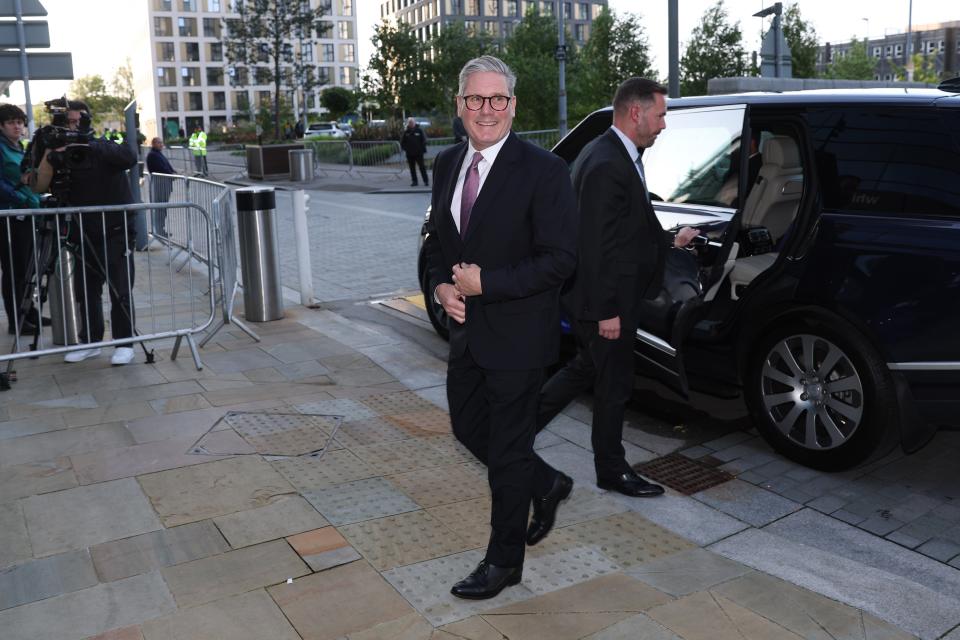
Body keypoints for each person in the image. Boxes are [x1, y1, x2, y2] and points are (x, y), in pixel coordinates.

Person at [422, 55, 578, 600]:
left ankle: (503, 562)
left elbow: (561, 259)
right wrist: (442, 287)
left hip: (520, 334)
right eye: (474, 99)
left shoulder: (544, 170)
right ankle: (548, 482)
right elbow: (440, 244)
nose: (485, 110)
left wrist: (489, 284)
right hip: (467, 333)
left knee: (507, 454)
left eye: (497, 99)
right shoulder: (445, 165)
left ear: (513, 106)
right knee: (468, 430)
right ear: (459, 106)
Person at [536, 78, 699, 498]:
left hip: (603, 297)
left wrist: (669, 240)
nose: (663, 124)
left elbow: (624, 231)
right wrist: (607, 310)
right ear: (635, 112)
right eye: (660, 114)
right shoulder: (609, 162)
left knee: (584, 370)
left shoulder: (614, 153)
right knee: (613, 388)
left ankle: (512, 429)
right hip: (606, 303)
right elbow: (595, 246)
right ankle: (611, 470)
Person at [32, 100, 139, 365]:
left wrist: (88, 144)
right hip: (82, 230)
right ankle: (90, 341)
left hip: (115, 228)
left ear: (87, 121)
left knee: (120, 289)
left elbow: (130, 157)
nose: (72, 127)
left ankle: (124, 344)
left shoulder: (102, 146)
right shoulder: (57, 151)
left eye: (76, 122)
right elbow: (38, 184)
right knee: (85, 290)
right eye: (67, 122)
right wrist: (50, 151)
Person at [0, 104, 41, 335]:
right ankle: (17, 319)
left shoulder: (20, 147)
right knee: (14, 269)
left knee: (27, 268)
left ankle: (29, 311)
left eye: (19, 122)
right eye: (11, 122)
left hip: (26, 213)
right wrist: (20, 198)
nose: (17, 126)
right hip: (9, 216)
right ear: (1, 126)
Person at [145, 137, 177, 239]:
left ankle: (160, 230)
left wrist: (173, 172)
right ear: (153, 144)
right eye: (159, 143)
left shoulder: (158, 154)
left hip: (165, 183)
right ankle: (159, 231)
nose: (161, 144)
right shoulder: (152, 155)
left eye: (161, 142)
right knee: (160, 208)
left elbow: (166, 166)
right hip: (160, 184)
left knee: (163, 208)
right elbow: (160, 169)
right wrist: (171, 174)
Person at [400, 117, 429, 187]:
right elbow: (402, 142)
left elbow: (424, 140)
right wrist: (406, 149)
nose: (411, 124)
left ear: (414, 123)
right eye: (409, 123)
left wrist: (421, 148)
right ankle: (414, 181)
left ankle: (426, 181)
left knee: (422, 167)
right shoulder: (406, 132)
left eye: (412, 122)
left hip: (419, 153)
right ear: (408, 124)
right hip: (410, 154)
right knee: (412, 168)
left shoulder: (419, 130)